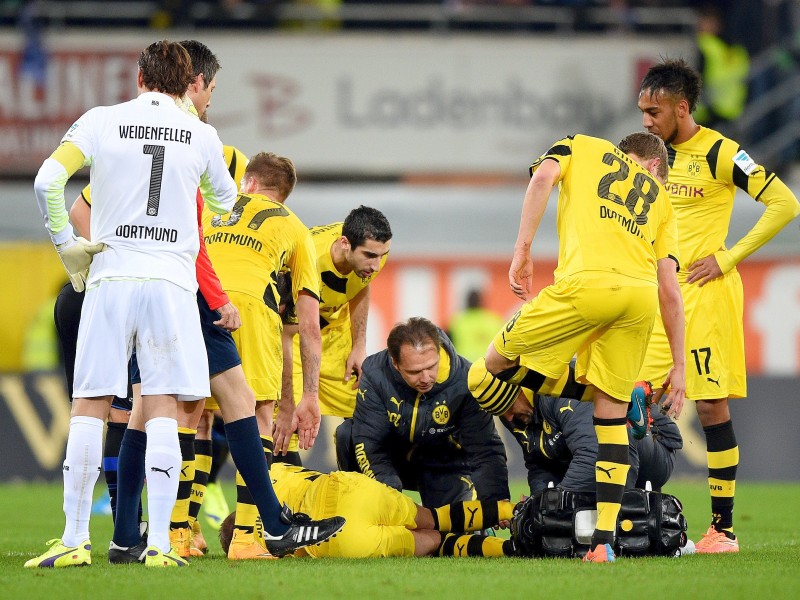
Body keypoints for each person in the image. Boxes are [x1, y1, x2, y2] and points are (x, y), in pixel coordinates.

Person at [26, 40, 238, 568]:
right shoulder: (202, 134)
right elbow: (227, 203)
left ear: (140, 77)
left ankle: (75, 541)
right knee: (163, 407)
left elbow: (48, 180)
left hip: (111, 276)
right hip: (170, 285)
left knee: (90, 406)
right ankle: (162, 547)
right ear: (189, 80)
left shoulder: (100, 120)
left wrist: (66, 243)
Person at [482, 131, 686, 563]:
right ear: (653, 167)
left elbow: (541, 180)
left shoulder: (582, 144)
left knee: (494, 362)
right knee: (610, 421)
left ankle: (591, 391)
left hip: (587, 284)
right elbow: (671, 290)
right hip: (640, 299)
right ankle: (603, 545)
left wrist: (521, 250)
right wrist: (680, 367)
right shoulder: (661, 202)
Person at [636, 58, 800, 553]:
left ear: (681, 108)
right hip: (657, 295)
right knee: (627, 400)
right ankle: (636, 518)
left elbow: (786, 204)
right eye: (641, 110)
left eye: (654, 111)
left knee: (710, 407)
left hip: (706, 296)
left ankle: (722, 530)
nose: (646, 121)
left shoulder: (723, 153)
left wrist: (727, 257)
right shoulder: (648, 156)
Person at [201, 151, 334, 560]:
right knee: (257, 411)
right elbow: (309, 325)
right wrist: (309, 396)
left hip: (199, 300)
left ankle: (179, 533)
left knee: (194, 413)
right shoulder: (294, 228)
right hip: (253, 314)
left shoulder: (209, 204)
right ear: (283, 196)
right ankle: (245, 537)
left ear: (249, 183)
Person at [336, 317, 509, 508]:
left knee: (448, 534)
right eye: (415, 371)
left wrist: (496, 497)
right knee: (347, 434)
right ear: (395, 363)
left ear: (438, 352)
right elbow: (369, 441)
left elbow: (484, 446)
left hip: (444, 464)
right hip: (394, 459)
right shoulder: (375, 373)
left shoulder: (466, 381)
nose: (426, 378)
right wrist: (388, 493)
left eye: (431, 366)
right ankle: (358, 510)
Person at [274, 205, 393, 464]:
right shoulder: (308, 258)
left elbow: (361, 288)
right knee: (286, 422)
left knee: (366, 415)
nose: (376, 265)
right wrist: (310, 395)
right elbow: (300, 331)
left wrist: (359, 346)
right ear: (344, 244)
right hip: (295, 338)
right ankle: (285, 498)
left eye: (381, 256)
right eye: (370, 256)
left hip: (336, 334)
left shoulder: (375, 252)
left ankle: (358, 492)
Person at [218, 462, 516, 559]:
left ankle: (510, 549)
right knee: (435, 517)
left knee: (437, 542)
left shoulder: (255, 549)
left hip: (338, 539)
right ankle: (514, 510)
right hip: (351, 491)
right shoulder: (261, 474)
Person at [467, 363, 682, 495]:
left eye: (508, 407)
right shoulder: (516, 413)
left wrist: (558, 498)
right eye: (501, 413)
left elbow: (594, 454)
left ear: (519, 390)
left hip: (654, 446)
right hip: (590, 452)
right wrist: (541, 499)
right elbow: (539, 462)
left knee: (609, 450)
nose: (509, 418)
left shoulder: (558, 392)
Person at [447, 288, 506, 362]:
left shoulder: (457, 321)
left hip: (465, 366)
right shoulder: (494, 320)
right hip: (489, 366)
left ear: (467, 302)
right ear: (481, 301)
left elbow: (448, 346)